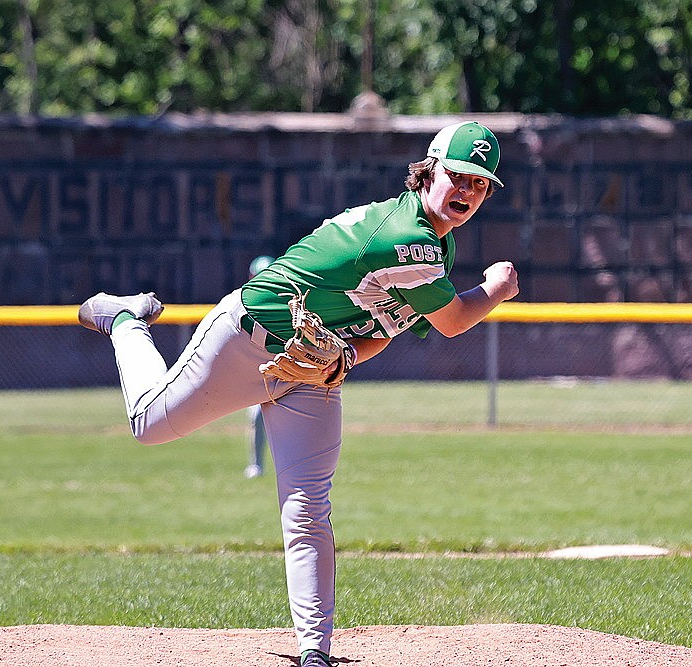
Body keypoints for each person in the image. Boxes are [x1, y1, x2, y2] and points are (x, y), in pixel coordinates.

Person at [78, 121, 519, 667]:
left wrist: (345, 359)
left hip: (312, 368)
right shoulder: (408, 240)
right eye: (458, 176)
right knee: (149, 424)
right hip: (246, 340)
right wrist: (495, 289)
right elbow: (452, 322)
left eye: (480, 184)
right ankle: (124, 319)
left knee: (308, 507)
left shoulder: (436, 246)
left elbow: (385, 328)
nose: (468, 192)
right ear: (429, 169)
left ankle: (315, 652)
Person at [243, 255, 274, 479]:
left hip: (288, 371)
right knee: (257, 417)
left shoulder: (288, 300)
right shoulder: (242, 302)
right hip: (257, 372)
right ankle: (256, 465)